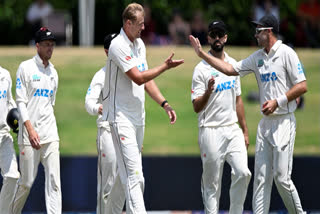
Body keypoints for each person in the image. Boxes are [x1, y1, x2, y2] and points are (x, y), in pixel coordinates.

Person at [189, 14, 307, 214]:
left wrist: (278, 102)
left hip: (284, 121)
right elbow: (229, 69)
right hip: (263, 124)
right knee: (260, 179)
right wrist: (201, 55)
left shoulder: (287, 53)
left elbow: (302, 85)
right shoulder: (257, 57)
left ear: (268, 32)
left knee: (280, 178)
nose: (255, 34)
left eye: (258, 31)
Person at [102, 3, 184, 213]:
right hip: (120, 119)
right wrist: (165, 66)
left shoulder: (139, 45)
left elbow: (147, 82)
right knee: (135, 177)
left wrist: (164, 104)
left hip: (138, 118)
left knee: (124, 178)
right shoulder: (118, 45)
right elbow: (138, 78)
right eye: (140, 24)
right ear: (128, 23)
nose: (144, 28)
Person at [191, 20, 251, 214]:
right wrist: (208, 92)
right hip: (210, 129)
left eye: (220, 34)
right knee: (212, 185)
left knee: (243, 173)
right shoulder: (200, 69)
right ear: (208, 38)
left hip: (232, 128)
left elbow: (238, 100)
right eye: (213, 35)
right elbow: (196, 107)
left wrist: (245, 130)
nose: (217, 38)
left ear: (226, 37)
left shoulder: (233, 65)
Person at [12, 27, 61, 214]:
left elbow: (50, 104)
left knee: (54, 181)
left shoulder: (54, 73)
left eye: (52, 45)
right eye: (46, 45)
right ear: (37, 46)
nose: (50, 48)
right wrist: (30, 129)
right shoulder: (25, 68)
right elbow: (21, 102)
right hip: (29, 136)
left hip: (50, 134)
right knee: (26, 182)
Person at [85, 33, 125, 214]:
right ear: (107, 51)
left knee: (128, 180)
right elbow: (88, 103)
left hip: (125, 131)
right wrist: (99, 108)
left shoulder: (128, 72)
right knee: (107, 183)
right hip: (107, 131)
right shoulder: (100, 75)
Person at [0, 66, 20, 214]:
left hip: (4, 134)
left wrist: (15, 117)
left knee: (13, 176)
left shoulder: (5, 75)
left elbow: (9, 101)